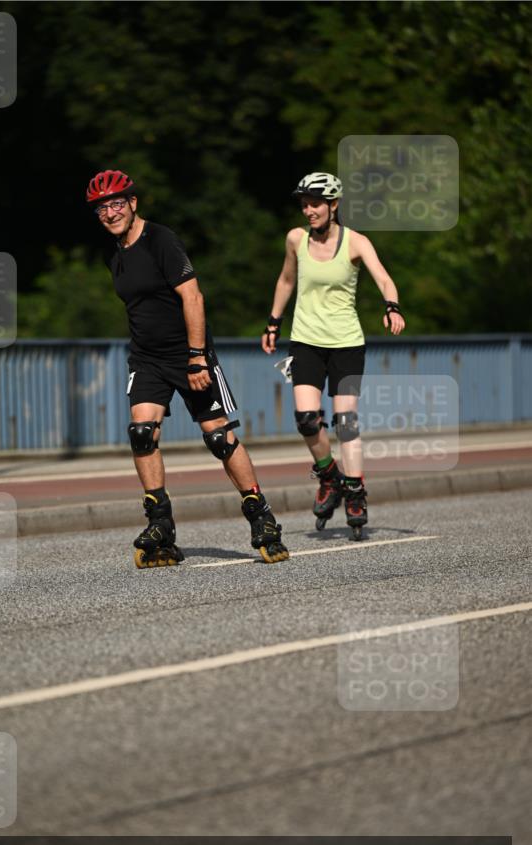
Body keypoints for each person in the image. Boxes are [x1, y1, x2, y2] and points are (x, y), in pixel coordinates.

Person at [87, 169, 289, 567]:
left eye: (116, 203)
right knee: (142, 432)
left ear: (132, 202)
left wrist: (197, 356)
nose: (110, 213)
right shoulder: (113, 251)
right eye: (101, 208)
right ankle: (160, 524)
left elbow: (193, 297)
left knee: (218, 438)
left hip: (188, 355)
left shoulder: (161, 240)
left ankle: (261, 516)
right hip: (146, 357)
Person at [262, 171, 406, 540]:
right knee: (307, 420)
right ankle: (329, 475)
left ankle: (355, 491)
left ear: (333, 205)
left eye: (315, 204)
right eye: (304, 204)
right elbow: (286, 281)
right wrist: (273, 324)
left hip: (346, 342)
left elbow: (384, 278)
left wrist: (391, 306)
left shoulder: (356, 242)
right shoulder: (296, 238)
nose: (308, 210)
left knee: (345, 423)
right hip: (306, 341)